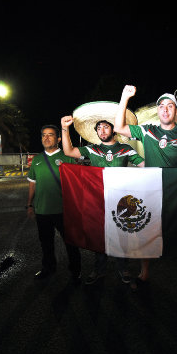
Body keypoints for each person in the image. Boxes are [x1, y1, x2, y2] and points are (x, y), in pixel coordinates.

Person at [113, 85, 177, 301]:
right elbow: (119, 127)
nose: (165, 110)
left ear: (176, 111)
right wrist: (124, 97)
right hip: (150, 193)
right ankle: (144, 273)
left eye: (170, 106)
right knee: (146, 233)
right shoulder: (148, 130)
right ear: (157, 111)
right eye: (161, 106)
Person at [61, 115, 145, 285]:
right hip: (97, 200)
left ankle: (123, 268)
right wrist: (64, 128)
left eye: (105, 127)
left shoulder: (126, 149)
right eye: (99, 128)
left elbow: (145, 165)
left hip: (120, 201)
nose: (102, 130)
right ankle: (99, 270)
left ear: (113, 129)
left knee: (122, 235)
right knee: (99, 235)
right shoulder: (93, 149)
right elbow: (68, 152)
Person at [26, 125, 82, 283]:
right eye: (44, 135)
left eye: (50, 135)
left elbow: (78, 183)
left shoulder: (67, 157)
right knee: (46, 243)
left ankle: (75, 270)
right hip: (42, 210)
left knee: (71, 242)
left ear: (58, 139)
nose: (46, 138)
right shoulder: (36, 160)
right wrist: (29, 205)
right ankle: (48, 268)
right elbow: (32, 184)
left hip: (64, 210)